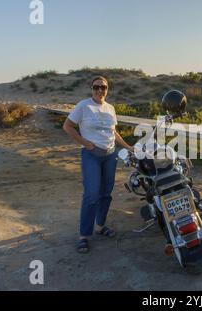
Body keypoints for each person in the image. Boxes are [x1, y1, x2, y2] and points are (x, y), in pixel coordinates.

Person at [63, 76, 134, 253]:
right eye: (96, 87)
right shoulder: (83, 106)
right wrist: (85, 143)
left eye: (103, 87)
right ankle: (84, 236)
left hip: (110, 156)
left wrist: (127, 146)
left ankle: (100, 227)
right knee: (91, 194)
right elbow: (67, 126)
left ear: (107, 89)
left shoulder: (111, 108)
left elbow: (113, 132)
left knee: (106, 193)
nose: (100, 90)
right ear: (91, 88)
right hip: (91, 155)